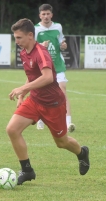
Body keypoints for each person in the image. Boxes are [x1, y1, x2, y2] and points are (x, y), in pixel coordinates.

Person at [7, 18, 90, 185]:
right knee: (12, 129)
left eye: (19, 38)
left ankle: (82, 153)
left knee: (62, 142)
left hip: (53, 104)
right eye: (15, 38)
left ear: (30, 35)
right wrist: (24, 93)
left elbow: (48, 77)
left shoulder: (41, 52)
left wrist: (22, 89)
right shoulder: (24, 52)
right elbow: (32, 77)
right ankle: (27, 170)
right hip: (35, 101)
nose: (16, 41)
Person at [35, 4, 75, 132]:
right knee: (42, 93)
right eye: (43, 14)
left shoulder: (58, 26)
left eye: (48, 14)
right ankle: (40, 118)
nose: (46, 16)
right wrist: (41, 46)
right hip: (42, 66)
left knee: (62, 90)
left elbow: (61, 42)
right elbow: (32, 47)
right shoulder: (35, 29)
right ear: (40, 15)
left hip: (57, 64)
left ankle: (68, 122)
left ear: (51, 15)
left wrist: (63, 45)